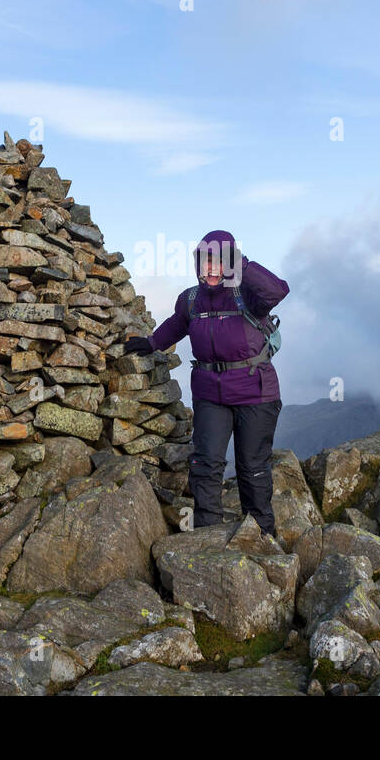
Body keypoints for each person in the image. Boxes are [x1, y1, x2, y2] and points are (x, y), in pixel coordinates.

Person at [124, 229, 289, 537]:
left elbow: (277, 291)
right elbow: (177, 325)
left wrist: (242, 264)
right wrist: (151, 342)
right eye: (205, 262)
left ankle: (262, 537)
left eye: (219, 262)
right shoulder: (190, 299)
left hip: (256, 393)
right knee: (206, 465)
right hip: (210, 394)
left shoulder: (247, 295)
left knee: (252, 468)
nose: (211, 269)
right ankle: (207, 538)